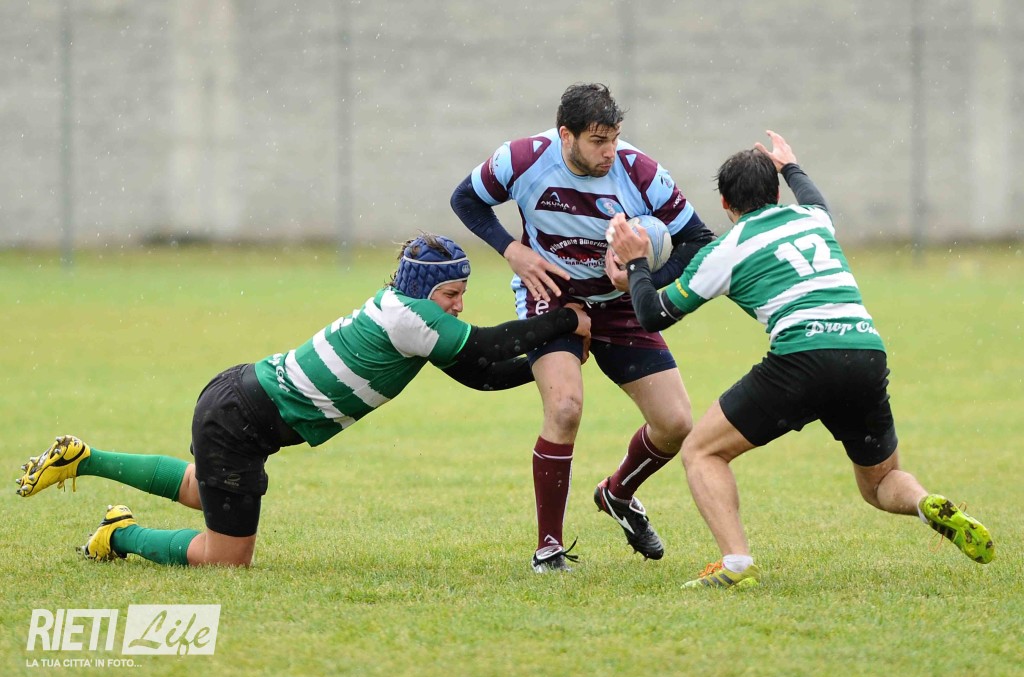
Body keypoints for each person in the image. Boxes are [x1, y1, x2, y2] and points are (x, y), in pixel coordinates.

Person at [15, 234, 591, 568]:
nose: (459, 305)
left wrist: (550, 367)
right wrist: (567, 321)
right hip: (241, 420)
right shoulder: (411, 318)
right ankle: (118, 537)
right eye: (452, 294)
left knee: (199, 490)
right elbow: (489, 345)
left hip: (238, 403)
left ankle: (86, 459)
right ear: (423, 290)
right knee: (226, 558)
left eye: (463, 293)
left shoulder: (410, 317)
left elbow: (479, 375)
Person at [605, 130, 995, 588]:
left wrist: (636, 266)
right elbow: (813, 196)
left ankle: (737, 565)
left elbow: (653, 315)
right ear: (776, 194)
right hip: (865, 351)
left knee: (702, 451)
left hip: (802, 359)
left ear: (726, 205)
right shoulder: (813, 218)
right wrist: (790, 165)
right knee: (880, 481)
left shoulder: (725, 250)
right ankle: (926, 504)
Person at [451, 82, 717, 572]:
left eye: (614, 138)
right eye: (598, 141)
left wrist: (640, 279)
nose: (609, 152)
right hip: (551, 294)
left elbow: (699, 240)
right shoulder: (521, 159)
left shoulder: (642, 172)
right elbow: (465, 200)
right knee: (566, 407)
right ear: (565, 135)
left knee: (676, 424)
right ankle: (548, 550)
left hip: (620, 303)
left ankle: (618, 493)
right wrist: (513, 251)